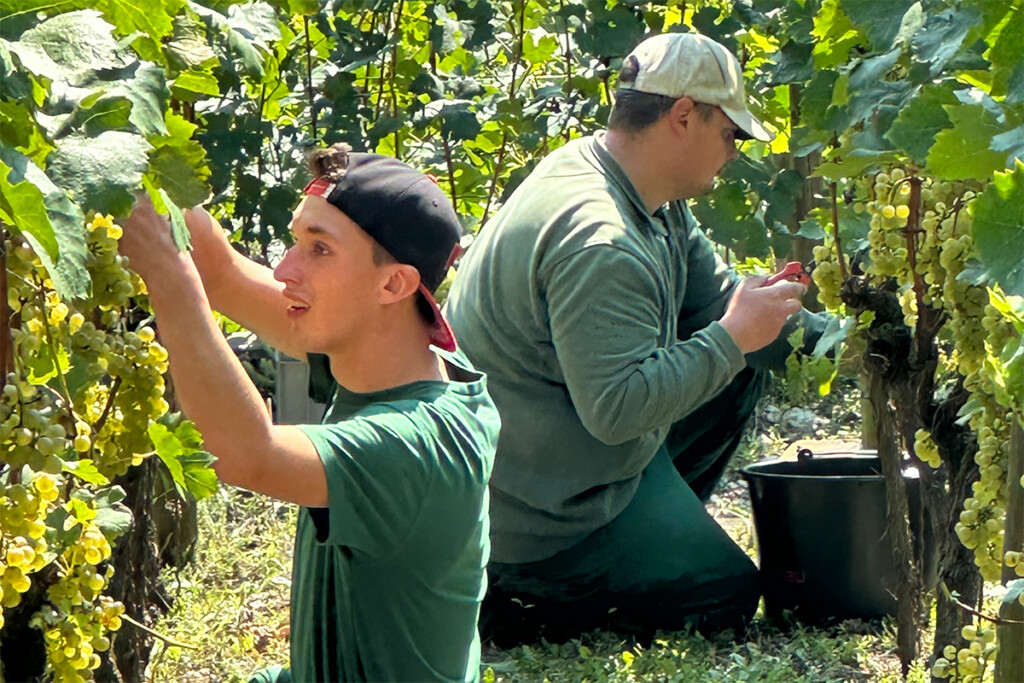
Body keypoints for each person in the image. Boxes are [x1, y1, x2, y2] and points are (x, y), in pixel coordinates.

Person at [445, 32, 827, 644]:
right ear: (683, 116)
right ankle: (525, 594)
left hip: (549, 452)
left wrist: (847, 341)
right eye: (730, 134)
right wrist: (733, 336)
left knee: (744, 365)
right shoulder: (602, 240)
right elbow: (617, 410)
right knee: (723, 594)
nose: (734, 153)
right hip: (531, 510)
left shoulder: (638, 188)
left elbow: (718, 300)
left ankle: (647, 531)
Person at [120, 145, 500, 682]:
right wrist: (130, 167)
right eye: (297, 239)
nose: (284, 268)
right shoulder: (403, 352)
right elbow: (223, 273)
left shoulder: (420, 443)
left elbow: (250, 455)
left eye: (319, 250)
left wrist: (165, 271)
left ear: (393, 284)